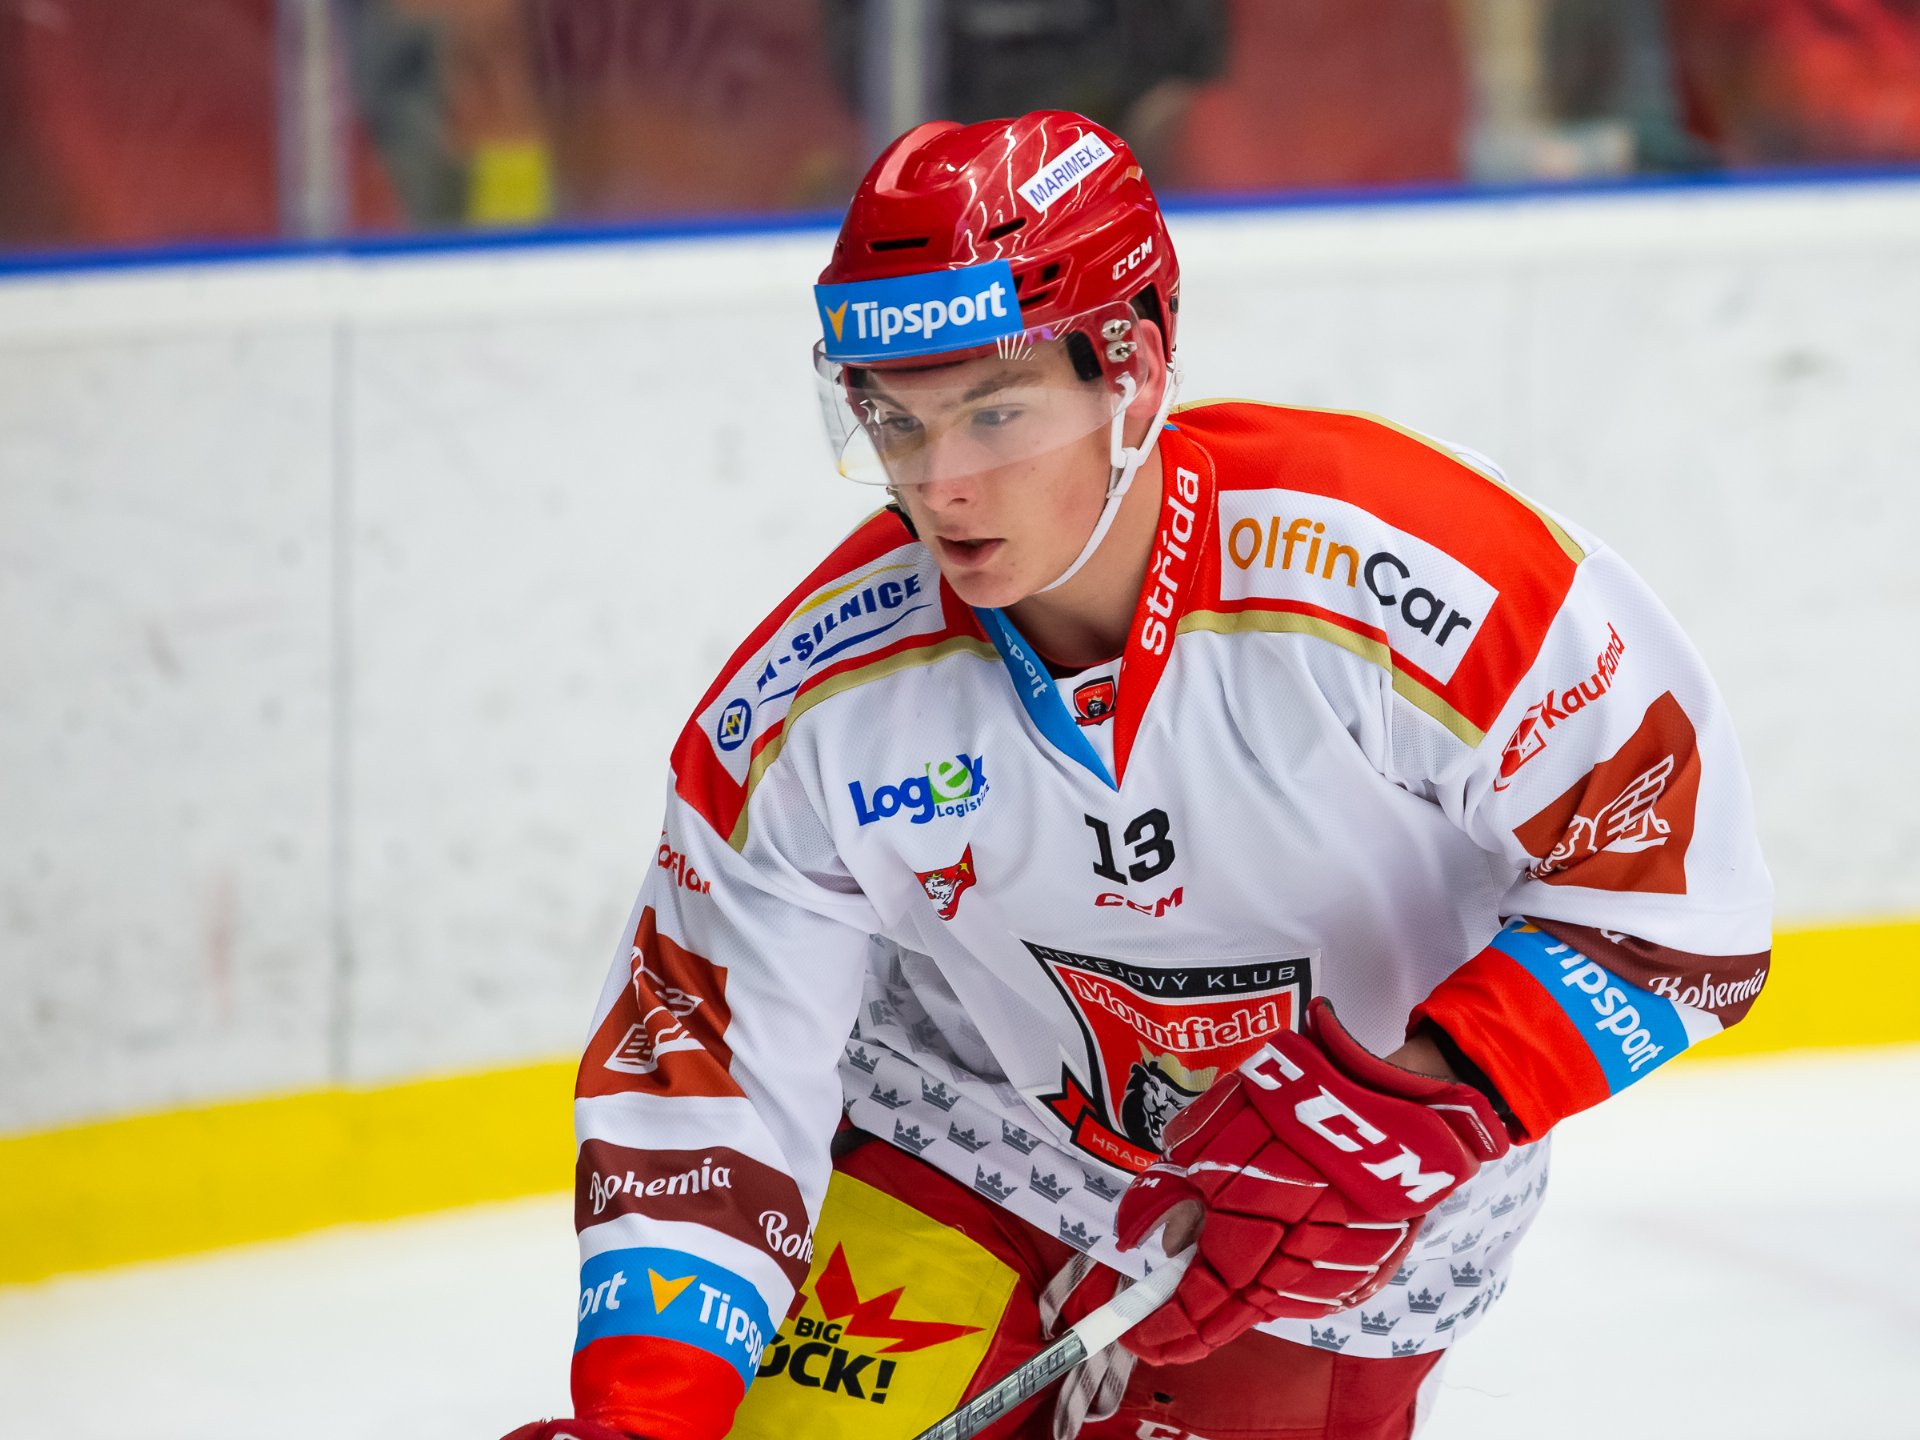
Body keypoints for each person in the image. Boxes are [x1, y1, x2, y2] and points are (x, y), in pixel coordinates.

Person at [505, 110, 1771, 1440]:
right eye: (894, 421)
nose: (940, 488)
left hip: (1348, 1225)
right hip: (961, 1124)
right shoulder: (812, 703)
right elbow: (704, 1070)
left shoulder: (1411, 581)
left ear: (1136, 367)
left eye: (995, 414)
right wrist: (641, 1415)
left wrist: (1426, 1092)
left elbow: (1686, 908)